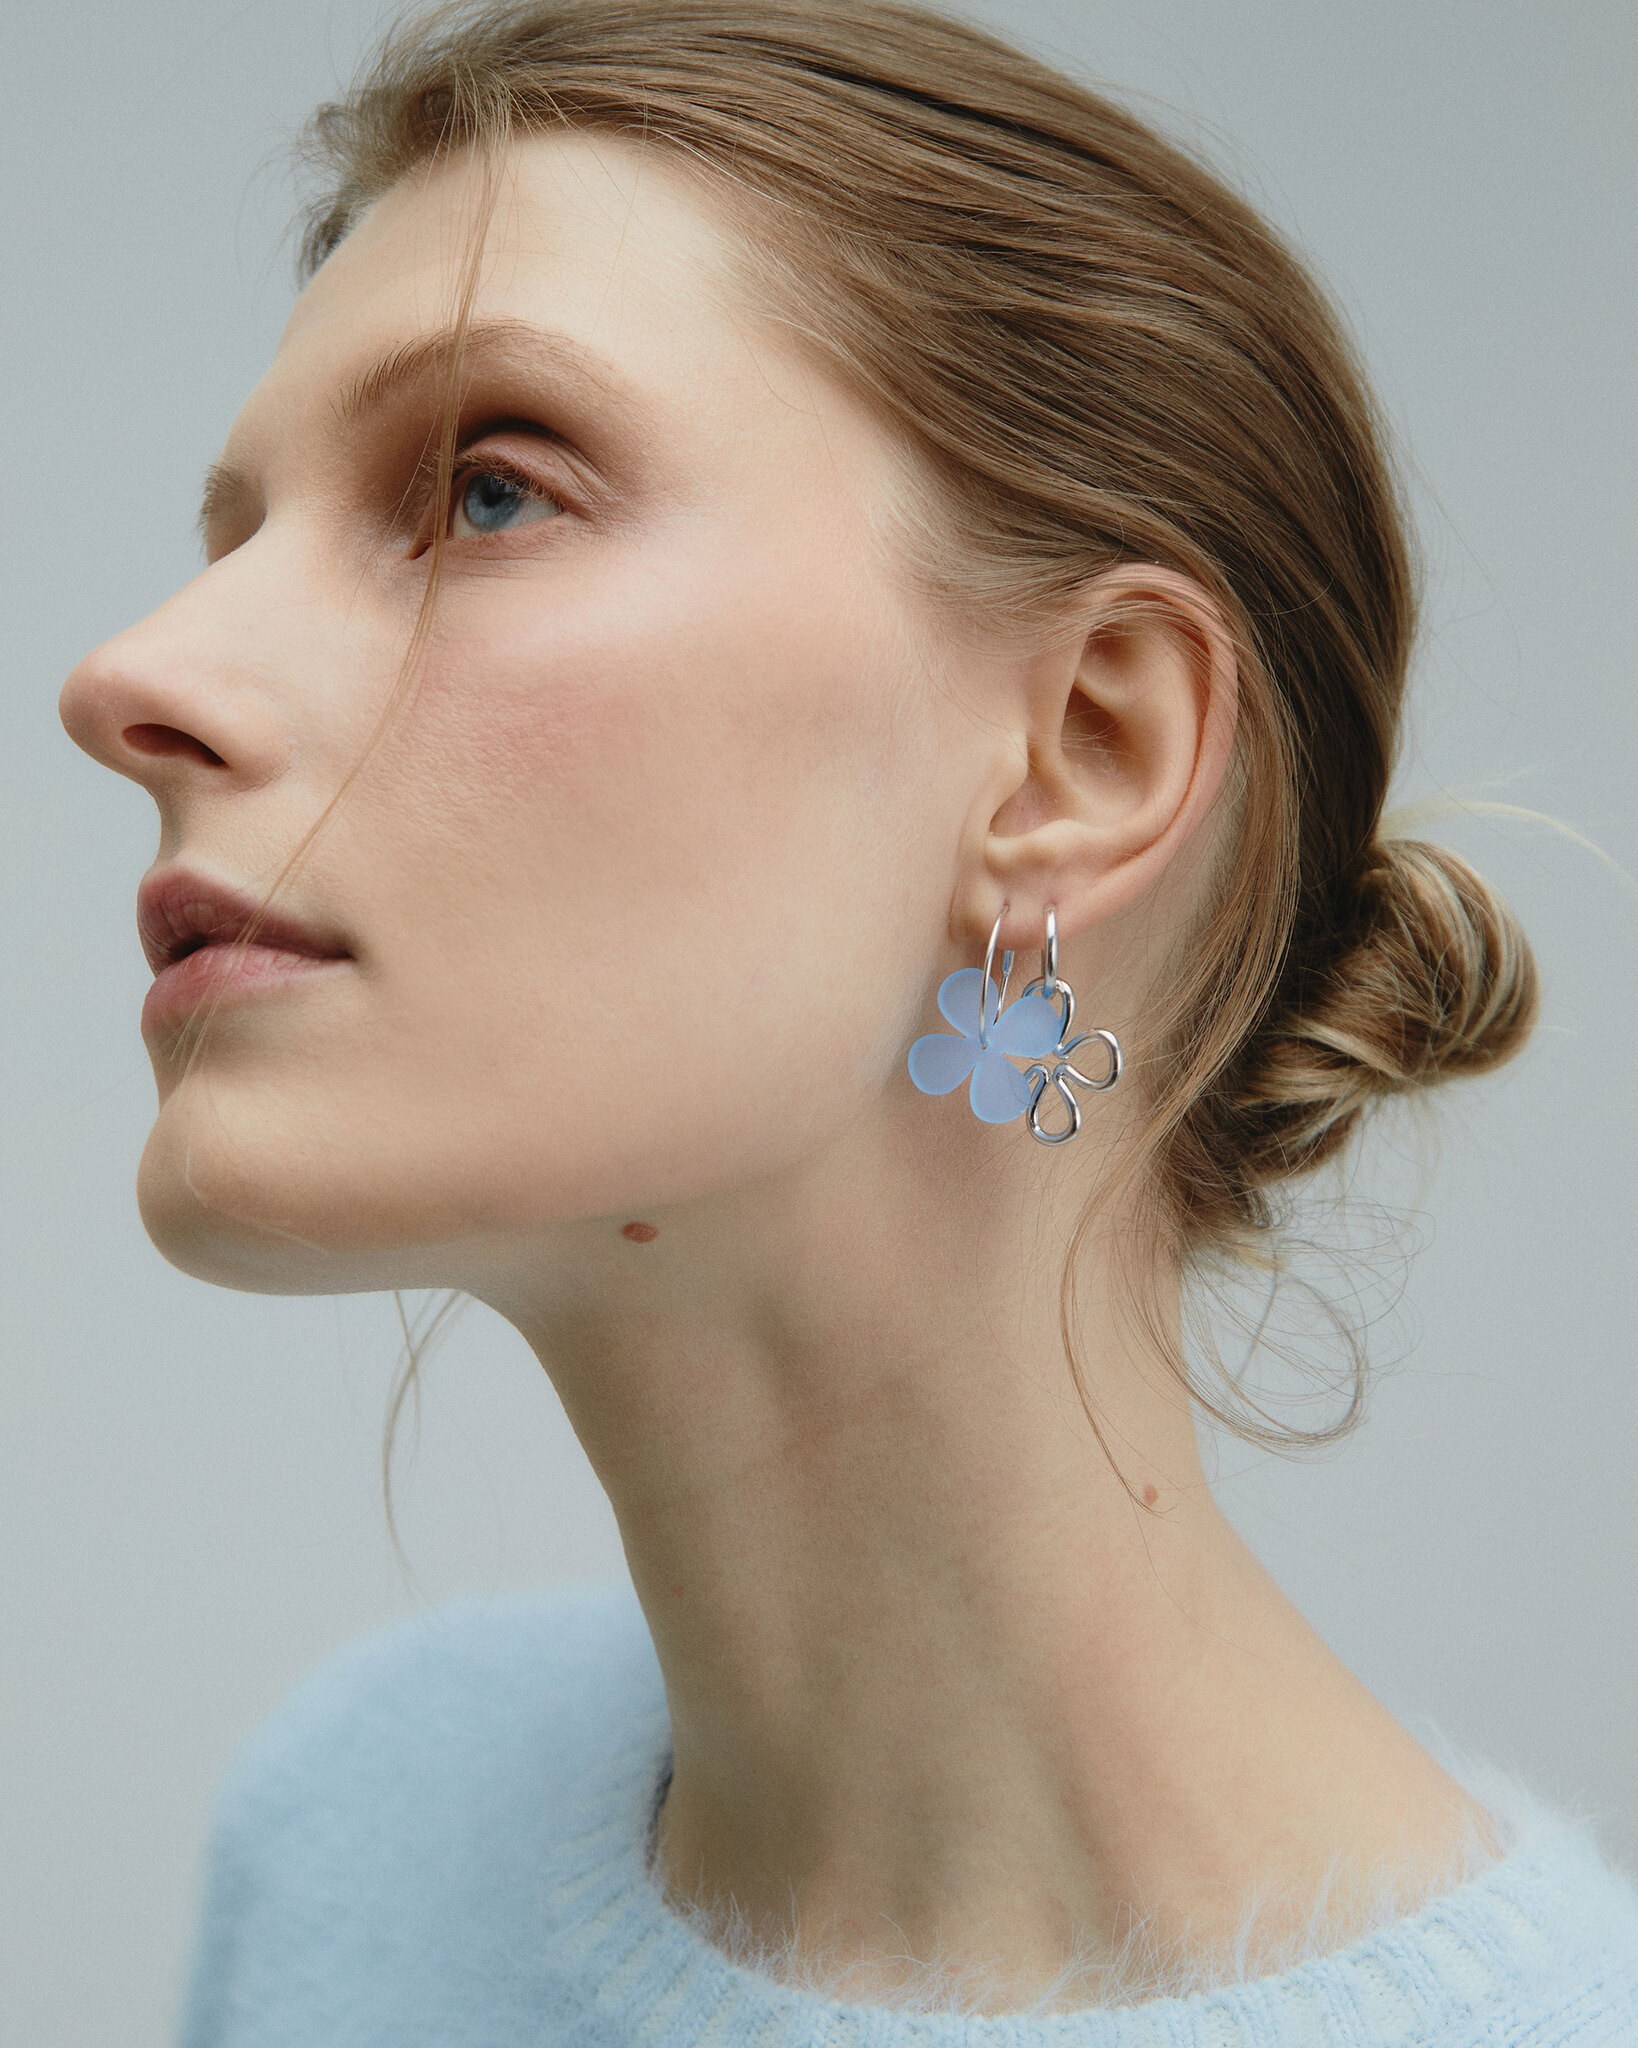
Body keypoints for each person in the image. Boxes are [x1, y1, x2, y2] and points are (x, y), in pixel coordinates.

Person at [57, 1, 1638, 2040]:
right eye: (236, 539)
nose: (133, 677)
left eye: (489, 492)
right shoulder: (359, 1827)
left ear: (1083, 749)